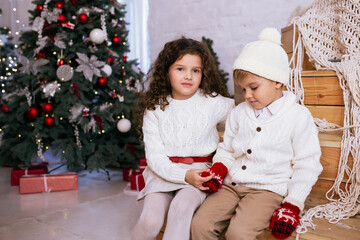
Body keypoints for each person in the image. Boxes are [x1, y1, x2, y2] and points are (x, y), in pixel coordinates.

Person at [191, 28, 323, 240]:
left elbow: (307, 164)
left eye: (253, 87)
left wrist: (292, 204)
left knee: (238, 234)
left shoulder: (298, 116)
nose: (247, 95)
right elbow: (227, 149)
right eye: (243, 89)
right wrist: (219, 168)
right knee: (200, 224)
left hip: (267, 190)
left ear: (277, 81)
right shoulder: (239, 113)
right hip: (231, 185)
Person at [131, 37, 234, 240]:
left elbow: (243, 113)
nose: (188, 76)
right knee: (150, 220)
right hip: (162, 172)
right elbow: (155, 158)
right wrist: (183, 175)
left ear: (202, 74)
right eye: (180, 69)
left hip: (200, 173)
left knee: (181, 209)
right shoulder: (155, 108)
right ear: (166, 71)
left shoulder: (212, 102)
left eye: (195, 70)